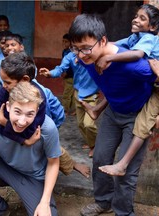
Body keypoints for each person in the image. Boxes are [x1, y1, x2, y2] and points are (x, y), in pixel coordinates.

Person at [68, 14, 156, 216]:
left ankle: (123, 212)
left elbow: (155, 77)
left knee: (125, 171)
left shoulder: (134, 65)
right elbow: (108, 83)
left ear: (104, 41)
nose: (81, 55)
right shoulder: (85, 59)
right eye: (76, 48)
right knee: (100, 159)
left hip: (136, 116)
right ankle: (103, 202)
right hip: (113, 113)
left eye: (86, 48)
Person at [0, 81, 62, 216]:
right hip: (5, 168)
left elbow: (53, 163)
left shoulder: (47, 128)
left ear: (37, 111)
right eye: (18, 112)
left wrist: (45, 201)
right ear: (8, 107)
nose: (22, 121)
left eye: (29, 114)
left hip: (34, 177)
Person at [0, 52, 90, 178]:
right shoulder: (4, 91)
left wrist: (3, 121)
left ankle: (72, 164)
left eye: (7, 82)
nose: (3, 85)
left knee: (48, 145)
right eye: (3, 81)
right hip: (27, 123)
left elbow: (29, 132)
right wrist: (23, 140)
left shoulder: (39, 98)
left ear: (24, 80)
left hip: (53, 118)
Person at [91, 4, 159, 176]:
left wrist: (109, 57)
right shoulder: (135, 36)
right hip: (143, 84)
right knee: (117, 89)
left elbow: (137, 55)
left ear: (152, 27)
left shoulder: (149, 38)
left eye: (142, 18)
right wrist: (93, 48)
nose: (136, 19)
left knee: (143, 125)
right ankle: (98, 109)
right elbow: (114, 44)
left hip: (156, 89)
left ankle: (123, 164)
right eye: (136, 16)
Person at [39, 40, 99, 158]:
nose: (77, 51)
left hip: (91, 95)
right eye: (75, 48)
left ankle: (96, 145)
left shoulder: (93, 54)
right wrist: (50, 73)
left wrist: (83, 60)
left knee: (88, 124)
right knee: (81, 123)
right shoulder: (70, 56)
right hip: (78, 93)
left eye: (81, 47)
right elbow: (60, 69)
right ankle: (91, 142)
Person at [61, 33, 76, 116]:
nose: (64, 44)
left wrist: (65, 72)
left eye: (66, 42)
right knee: (70, 93)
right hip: (68, 76)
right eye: (63, 41)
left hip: (71, 76)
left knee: (67, 94)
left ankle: (66, 110)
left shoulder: (72, 53)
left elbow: (70, 65)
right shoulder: (64, 52)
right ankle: (73, 109)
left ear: (71, 43)